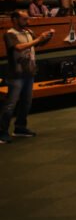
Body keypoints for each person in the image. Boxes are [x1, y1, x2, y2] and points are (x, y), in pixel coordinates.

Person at [1, 10, 55, 143]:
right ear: (15, 20)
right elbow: (19, 47)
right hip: (16, 74)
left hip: (29, 72)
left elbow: (38, 44)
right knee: (10, 104)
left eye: (28, 19)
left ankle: (20, 127)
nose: (28, 21)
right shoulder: (10, 34)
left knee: (26, 102)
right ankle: (2, 132)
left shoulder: (29, 32)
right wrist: (39, 38)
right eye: (24, 19)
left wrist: (47, 37)